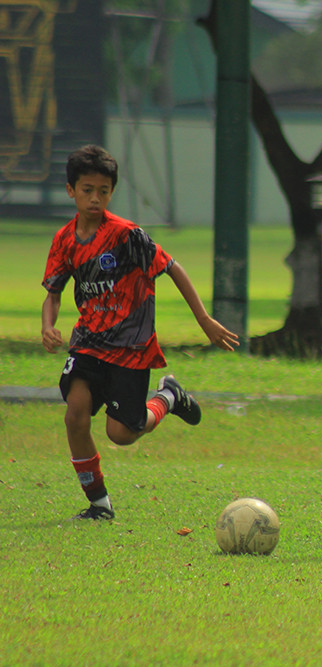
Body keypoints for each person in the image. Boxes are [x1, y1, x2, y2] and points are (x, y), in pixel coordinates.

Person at [41, 144, 240, 521]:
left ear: (111, 192)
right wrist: (47, 325)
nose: (95, 198)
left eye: (103, 191)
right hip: (87, 344)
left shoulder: (126, 236)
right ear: (71, 190)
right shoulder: (64, 240)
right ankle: (98, 503)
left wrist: (204, 320)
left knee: (122, 434)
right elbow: (53, 292)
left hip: (131, 348)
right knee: (75, 414)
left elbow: (172, 267)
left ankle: (168, 397)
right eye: (87, 190)